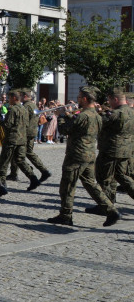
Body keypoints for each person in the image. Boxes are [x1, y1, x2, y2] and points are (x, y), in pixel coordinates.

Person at [47, 87, 119, 227]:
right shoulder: (97, 116)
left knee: (67, 185)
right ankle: (111, 210)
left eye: (79, 98)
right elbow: (78, 127)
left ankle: (66, 215)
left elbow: (63, 130)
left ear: (85, 99)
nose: (78, 100)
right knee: (92, 185)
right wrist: (68, 115)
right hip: (89, 154)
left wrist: (61, 116)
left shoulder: (83, 115)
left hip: (76, 155)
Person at [87, 87, 134, 216]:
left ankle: (106, 206)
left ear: (115, 99)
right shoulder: (131, 112)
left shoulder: (116, 113)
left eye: (109, 100)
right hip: (126, 150)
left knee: (103, 177)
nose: (109, 102)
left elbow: (99, 122)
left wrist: (96, 111)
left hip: (111, 150)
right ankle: (108, 203)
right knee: (122, 176)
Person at [0, 90, 43, 191]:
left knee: (3, 161)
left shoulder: (13, 109)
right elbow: (26, 124)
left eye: (9, 98)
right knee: (20, 160)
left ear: (14, 98)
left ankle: (1, 184)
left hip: (12, 139)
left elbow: (8, 125)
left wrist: (0, 122)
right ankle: (33, 179)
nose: (8, 100)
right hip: (22, 139)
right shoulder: (24, 109)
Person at [18, 88, 52, 184]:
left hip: (26, 132)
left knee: (22, 154)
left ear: (25, 96)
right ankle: (43, 171)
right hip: (32, 132)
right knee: (28, 152)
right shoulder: (33, 105)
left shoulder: (26, 106)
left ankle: (41, 171)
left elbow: (23, 120)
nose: (19, 98)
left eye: (20, 96)